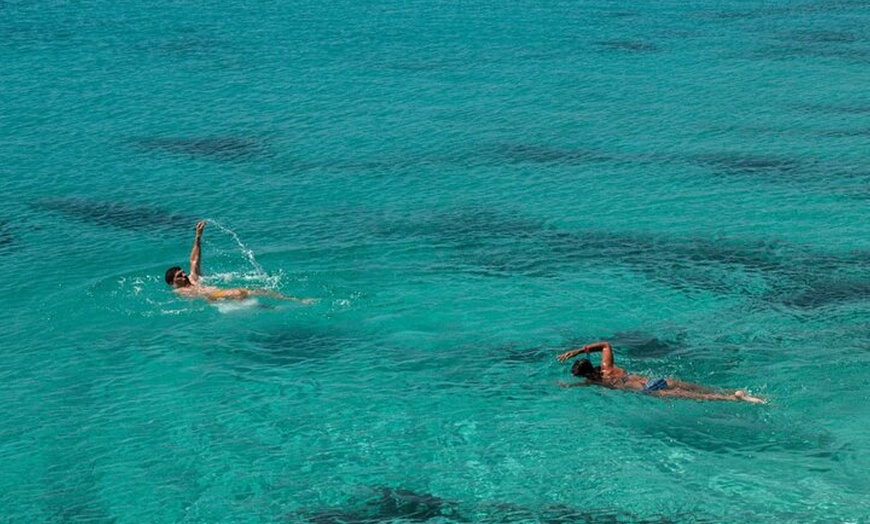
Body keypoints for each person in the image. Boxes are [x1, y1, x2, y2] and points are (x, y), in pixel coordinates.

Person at [557, 341, 764, 403]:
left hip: (649, 390)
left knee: (703, 398)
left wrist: (567, 386)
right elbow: (605, 345)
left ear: (584, 375)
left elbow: (582, 384)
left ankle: (734, 398)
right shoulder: (607, 368)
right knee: (701, 389)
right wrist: (578, 350)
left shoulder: (595, 382)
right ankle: (739, 392)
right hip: (655, 379)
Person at [165, 220, 314, 303]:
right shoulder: (181, 291)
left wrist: (198, 237)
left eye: (183, 273)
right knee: (239, 293)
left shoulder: (193, 278)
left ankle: (295, 300)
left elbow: (194, 260)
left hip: (221, 293)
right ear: (172, 282)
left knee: (258, 289)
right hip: (215, 298)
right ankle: (266, 309)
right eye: (180, 276)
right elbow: (201, 297)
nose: (184, 276)